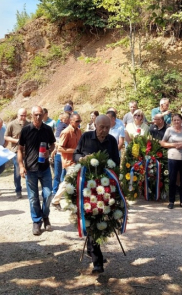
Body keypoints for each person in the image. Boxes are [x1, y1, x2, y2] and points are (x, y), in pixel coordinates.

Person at [74, 115, 120, 275]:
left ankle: (93, 251)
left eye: (107, 128)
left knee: (101, 217)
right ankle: (97, 261)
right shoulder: (86, 137)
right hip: (87, 186)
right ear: (95, 125)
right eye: (102, 127)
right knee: (92, 217)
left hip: (105, 188)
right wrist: (83, 159)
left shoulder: (112, 141)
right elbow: (76, 155)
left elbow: (117, 162)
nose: (105, 131)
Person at [18, 106, 56, 235]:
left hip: (44, 168)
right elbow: (20, 149)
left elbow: (53, 144)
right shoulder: (26, 130)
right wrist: (21, 166)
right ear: (32, 115)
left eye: (40, 114)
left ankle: (45, 216)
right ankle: (36, 221)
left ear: (43, 115)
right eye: (36, 115)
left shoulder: (47, 129)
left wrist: (49, 152)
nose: (38, 117)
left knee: (48, 194)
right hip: (30, 169)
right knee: (33, 198)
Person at [161, 113, 182, 210]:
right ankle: (171, 201)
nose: (176, 122)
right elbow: (163, 143)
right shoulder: (169, 130)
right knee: (172, 180)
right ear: (172, 121)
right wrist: (174, 145)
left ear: (181, 120)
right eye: (174, 120)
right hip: (173, 158)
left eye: (178, 120)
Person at [51, 113, 82, 210]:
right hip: (69, 161)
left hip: (77, 160)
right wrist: (74, 150)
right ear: (71, 121)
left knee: (75, 181)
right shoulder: (66, 132)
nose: (78, 123)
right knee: (67, 181)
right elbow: (60, 148)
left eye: (79, 121)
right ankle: (55, 200)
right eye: (77, 121)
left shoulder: (79, 131)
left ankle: (74, 202)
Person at [4, 108, 29, 198]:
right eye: (21, 115)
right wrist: (16, 140)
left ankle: (30, 189)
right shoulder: (11, 124)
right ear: (17, 115)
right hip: (16, 151)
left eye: (25, 115)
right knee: (18, 171)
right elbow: (6, 137)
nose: (23, 117)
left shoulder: (29, 124)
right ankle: (18, 190)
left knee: (28, 170)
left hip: (28, 151)